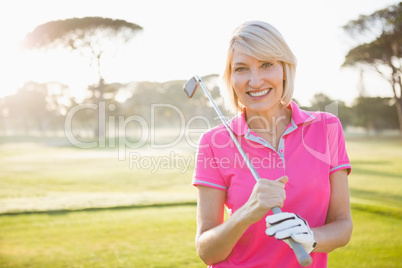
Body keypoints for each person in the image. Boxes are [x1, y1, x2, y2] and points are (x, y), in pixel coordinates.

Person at [192, 20, 353, 268]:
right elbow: (207, 251)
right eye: (242, 69)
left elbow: (343, 225)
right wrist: (249, 210)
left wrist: (311, 237)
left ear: (284, 69)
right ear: (231, 77)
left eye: (266, 65)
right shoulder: (215, 142)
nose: (255, 81)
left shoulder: (326, 127)